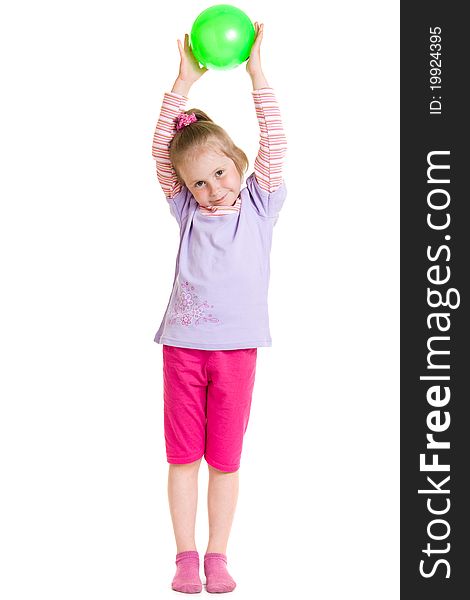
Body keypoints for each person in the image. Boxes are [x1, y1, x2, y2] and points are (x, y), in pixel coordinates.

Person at [151, 22, 287, 593]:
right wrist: (181, 84)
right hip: (183, 348)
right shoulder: (188, 211)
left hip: (236, 354)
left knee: (225, 461)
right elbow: (163, 153)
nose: (212, 189)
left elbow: (275, 139)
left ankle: (217, 555)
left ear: (239, 161)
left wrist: (256, 72)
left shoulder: (260, 202)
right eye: (199, 182)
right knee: (184, 457)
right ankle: (184, 556)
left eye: (220, 173)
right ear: (185, 187)